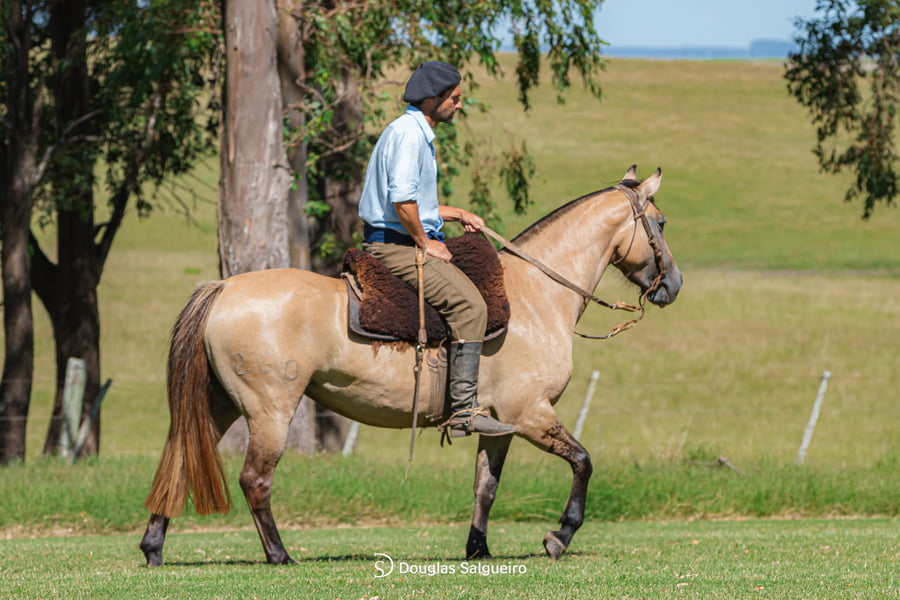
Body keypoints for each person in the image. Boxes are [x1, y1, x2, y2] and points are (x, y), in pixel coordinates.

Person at [358, 61, 515, 438]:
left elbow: (416, 205)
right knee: (470, 305)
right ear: (433, 99)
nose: (459, 105)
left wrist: (457, 213)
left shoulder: (412, 130)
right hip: (393, 247)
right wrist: (425, 242)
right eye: (455, 99)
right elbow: (402, 201)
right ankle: (463, 411)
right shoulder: (411, 136)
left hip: (399, 234)